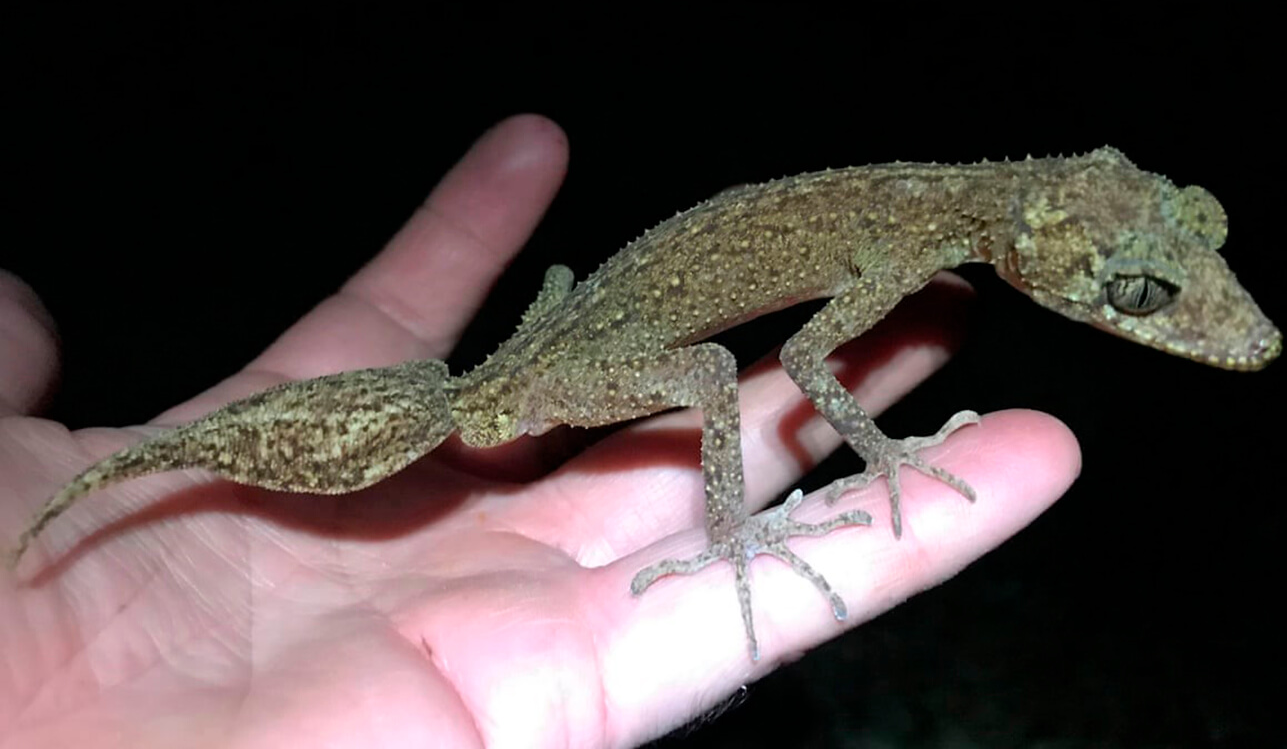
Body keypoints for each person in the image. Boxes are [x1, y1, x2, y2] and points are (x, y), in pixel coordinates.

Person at [0, 114, 1076, 747]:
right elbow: (789, 363)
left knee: (599, 321)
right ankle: (724, 535)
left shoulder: (919, 210)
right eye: (1127, 290)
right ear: (1032, 240)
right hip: (551, 370)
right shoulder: (910, 229)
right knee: (707, 367)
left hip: (561, 341)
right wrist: (877, 453)